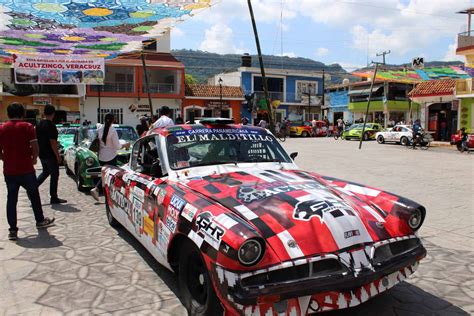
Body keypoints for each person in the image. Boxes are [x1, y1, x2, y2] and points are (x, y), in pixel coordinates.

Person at [0, 103, 55, 240]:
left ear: (8, 114)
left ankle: (13, 230)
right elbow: (35, 146)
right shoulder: (27, 127)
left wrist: (5, 159)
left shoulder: (2, 128)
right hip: (26, 169)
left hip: (9, 171)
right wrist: (34, 159)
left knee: (12, 199)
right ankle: (40, 220)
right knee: (34, 195)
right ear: (22, 113)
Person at [90, 113, 129, 201]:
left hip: (101, 156)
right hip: (110, 156)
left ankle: (99, 191)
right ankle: (99, 190)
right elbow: (117, 146)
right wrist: (125, 145)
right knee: (109, 176)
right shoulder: (112, 130)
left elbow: (98, 126)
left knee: (104, 174)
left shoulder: (100, 128)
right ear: (113, 120)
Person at [36, 105, 67, 204]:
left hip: (42, 154)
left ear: (44, 113)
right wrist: (58, 156)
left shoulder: (39, 125)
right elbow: (52, 142)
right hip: (50, 155)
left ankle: (32, 187)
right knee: (54, 174)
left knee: (45, 172)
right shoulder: (51, 126)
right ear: (53, 114)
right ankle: (54, 197)